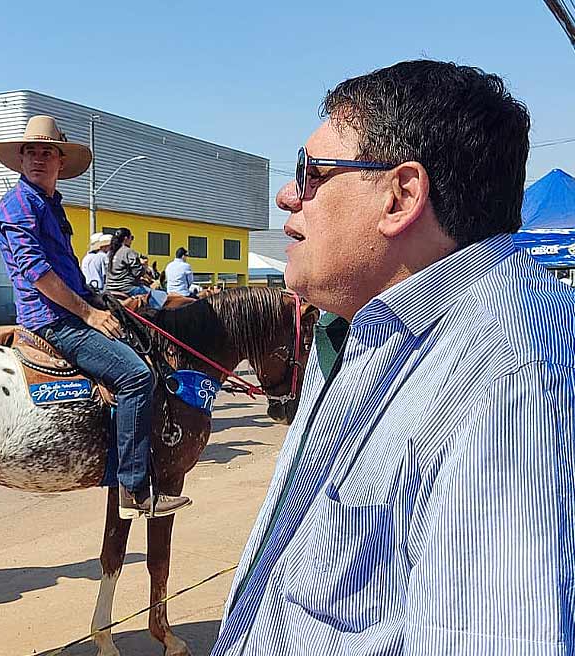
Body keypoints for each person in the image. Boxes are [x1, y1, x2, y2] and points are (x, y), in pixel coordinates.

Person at [211, 60, 575, 656]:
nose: (286, 195)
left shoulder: (504, 383)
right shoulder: (373, 327)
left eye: (310, 173)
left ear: (400, 197)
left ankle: (136, 470)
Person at [0, 115, 190, 519]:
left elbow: (65, 270)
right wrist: (89, 314)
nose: (39, 159)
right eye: (32, 151)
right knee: (136, 376)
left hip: (70, 307)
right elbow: (38, 273)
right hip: (52, 319)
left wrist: (98, 300)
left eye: (48, 152)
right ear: (21, 160)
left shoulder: (49, 205)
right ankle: (133, 488)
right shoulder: (18, 206)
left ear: (60, 162)